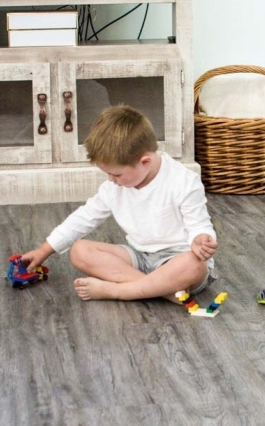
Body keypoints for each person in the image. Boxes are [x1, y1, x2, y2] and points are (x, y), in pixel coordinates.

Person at [18, 104, 218, 302]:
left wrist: (201, 239)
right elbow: (84, 218)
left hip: (177, 258)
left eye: (116, 174)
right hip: (138, 257)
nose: (111, 180)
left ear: (145, 162)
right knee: (80, 250)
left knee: (194, 264)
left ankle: (119, 291)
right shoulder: (114, 187)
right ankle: (161, 290)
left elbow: (200, 225)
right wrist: (44, 251)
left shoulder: (184, 181)